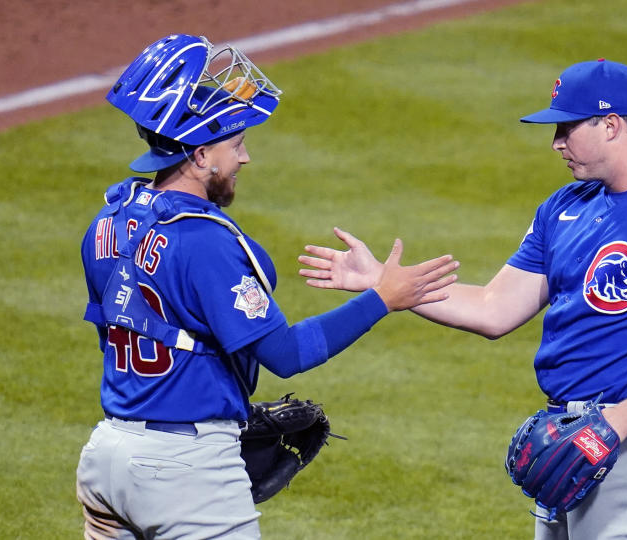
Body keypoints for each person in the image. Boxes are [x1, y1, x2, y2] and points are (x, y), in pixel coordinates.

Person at [298, 59, 627, 539]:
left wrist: (619, 420)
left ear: (612, 125)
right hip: (566, 443)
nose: (556, 142)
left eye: (567, 127)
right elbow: (495, 307)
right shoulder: (564, 206)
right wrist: (386, 285)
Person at [75, 34, 458, 539]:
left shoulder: (108, 222)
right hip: (181, 471)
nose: (245, 158)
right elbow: (286, 353)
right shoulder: (205, 242)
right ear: (200, 154)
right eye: (236, 145)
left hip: (106, 457)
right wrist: (382, 298)